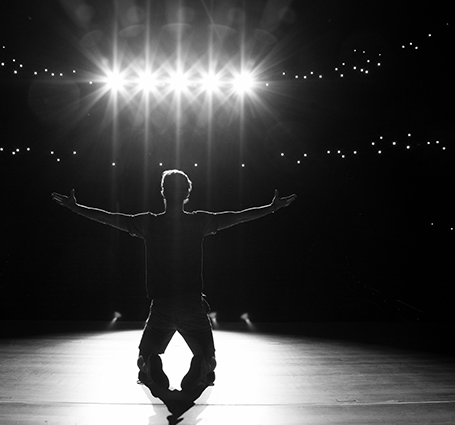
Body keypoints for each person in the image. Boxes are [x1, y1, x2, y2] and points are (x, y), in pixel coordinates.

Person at [52, 169, 296, 408]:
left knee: (141, 361)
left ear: (163, 193)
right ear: (187, 194)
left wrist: (76, 207)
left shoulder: (149, 223)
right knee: (210, 361)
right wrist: (272, 207)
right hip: (192, 304)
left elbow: (109, 218)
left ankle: (150, 362)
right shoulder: (199, 221)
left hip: (162, 306)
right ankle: (200, 365)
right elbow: (237, 216)